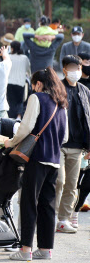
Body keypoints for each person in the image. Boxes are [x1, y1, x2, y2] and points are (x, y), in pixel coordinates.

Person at [5, 67, 68, 261]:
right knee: (47, 205)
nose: (33, 88)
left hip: (37, 158)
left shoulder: (36, 98)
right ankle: (46, 249)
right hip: (55, 160)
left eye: (33, 85)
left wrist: (11, 142)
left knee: (29, 203)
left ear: (38, 84)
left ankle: (25, 250)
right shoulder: (62, 103)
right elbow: (64, 137)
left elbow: (25, 127)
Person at [55, 55, 90, 234]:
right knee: (59, 181)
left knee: (72, 183)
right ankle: (52, 214)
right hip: (59, 143)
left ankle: (63, 219)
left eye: (77, 68)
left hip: (78, 145)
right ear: (64, 70)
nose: (75, 71)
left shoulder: (85, 91)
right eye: (71, 68)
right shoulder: (57, 88)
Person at [7, 41, 31, 119]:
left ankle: (11, 117)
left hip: (9, 82)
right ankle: (19, 116)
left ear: (12, 48)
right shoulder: (24, 58)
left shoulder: (8, 57)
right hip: (21, 83)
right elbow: (28, 69)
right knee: (20, 101)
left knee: (11, 102)